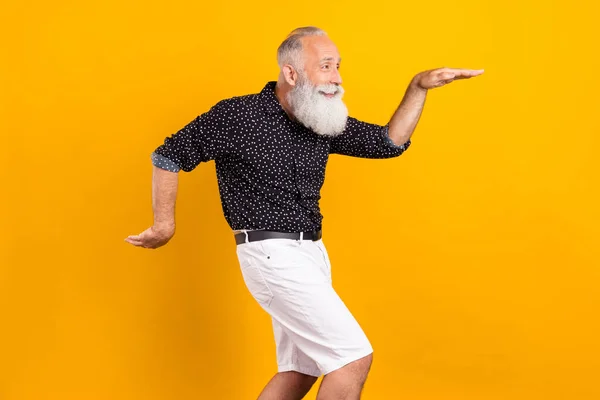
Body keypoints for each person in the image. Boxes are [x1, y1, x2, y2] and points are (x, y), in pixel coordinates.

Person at [125, 26, 483, 400]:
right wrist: (164, 224)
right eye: (326, 66)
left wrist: (418, 87)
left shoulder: (320, 119)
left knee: (301, 369)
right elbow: (169, 154)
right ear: (291, 73)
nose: (337, 78)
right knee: (351, 358)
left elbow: (387, 143)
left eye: (338, 67)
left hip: (310, 253)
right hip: (270, 254)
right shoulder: (238, 116)